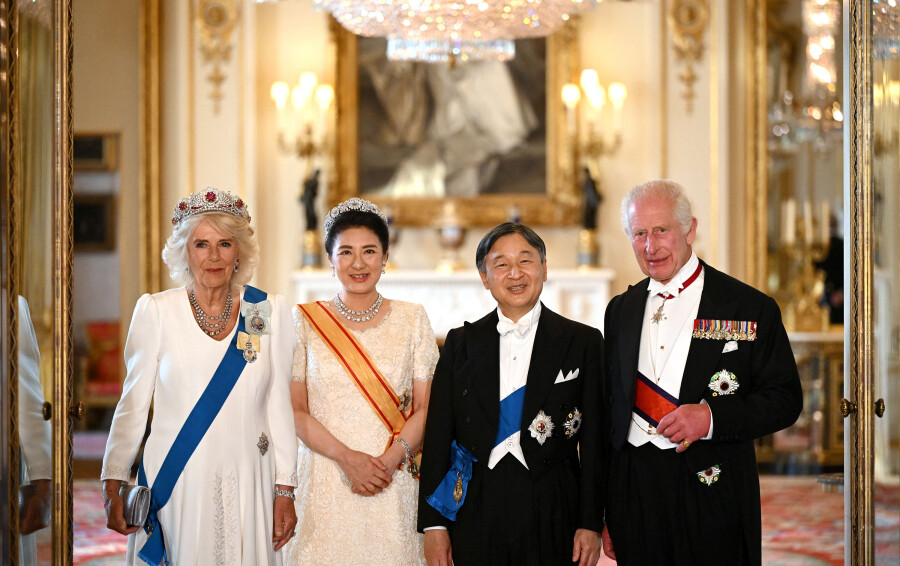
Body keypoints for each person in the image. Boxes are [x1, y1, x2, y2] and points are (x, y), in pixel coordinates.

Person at [602, 179, 803, 565]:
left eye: (662, 230)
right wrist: (607, 510)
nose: (650, 246)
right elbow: (611, 412)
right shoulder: (620, 310)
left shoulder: (747, 307)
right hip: (635, 494)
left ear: (690, 229)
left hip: (713, 491)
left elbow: (785, 399)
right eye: (639, 233)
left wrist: (711, 417)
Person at [101, 188, 298, 565]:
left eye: (225, 244)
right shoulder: (157, 311)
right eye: (201, 244)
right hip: (178, 479)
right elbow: (133, 405)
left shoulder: (264, 311)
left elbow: (279, 405)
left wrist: (285, 486)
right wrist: (113, 484)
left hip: (250, 476)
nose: (213, 257)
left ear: (239, 251)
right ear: (185, 252)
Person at [417, 222, 605, 566]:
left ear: (544, 269)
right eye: (501, 264)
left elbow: (595, 442)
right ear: (485, 277)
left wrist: (590, 522)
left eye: (526, 260)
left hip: (553, 500)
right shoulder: (460, 345)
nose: (515, 273)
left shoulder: (583, 341)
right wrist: (433, 524)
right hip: (476, 501)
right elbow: (439, 434)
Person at [284, 197, 439, 565]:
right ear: (330, 259)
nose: (358, 263)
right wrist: (347, 458)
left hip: (394, 479)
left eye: (369, 251)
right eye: (346, 252)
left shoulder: (412, 318)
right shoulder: (303, 321)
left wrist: (387, 461)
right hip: (325, 475)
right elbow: (296, 410)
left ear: (385, 256)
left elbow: (426, 408)